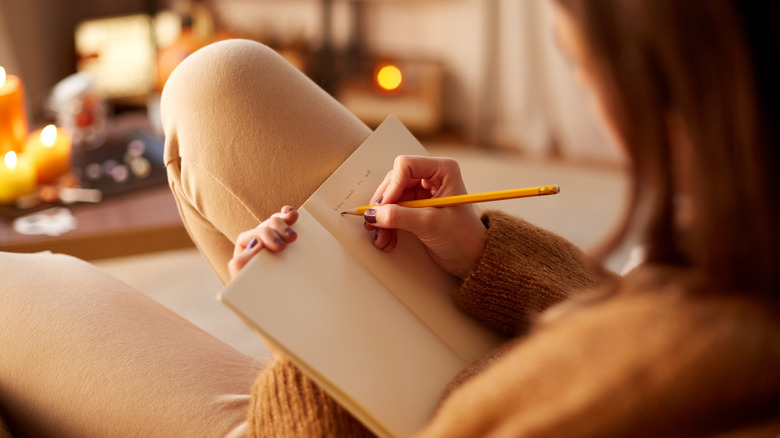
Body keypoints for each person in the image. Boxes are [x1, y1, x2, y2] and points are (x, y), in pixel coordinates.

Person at [0, 1, 777, 437]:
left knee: (15, 293)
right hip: (491, 359)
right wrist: (483, 253)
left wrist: (304, 339)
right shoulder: (738, 256)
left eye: (579, 65)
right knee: (220, 82)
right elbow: (618, 325)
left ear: (682, 93)